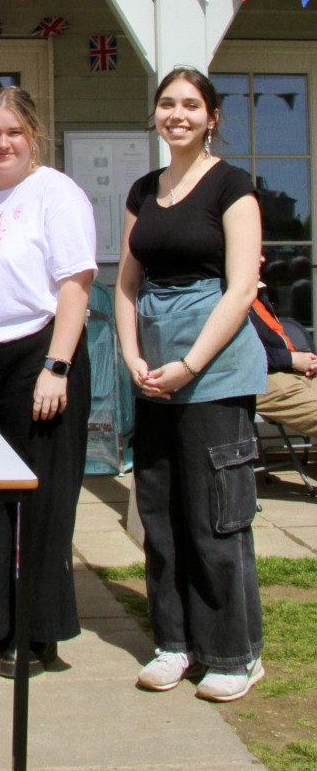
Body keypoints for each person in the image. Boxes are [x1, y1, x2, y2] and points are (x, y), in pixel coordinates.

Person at [115, 66, 268, 702]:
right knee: (161, 514)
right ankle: (174, 644)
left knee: (216, 517)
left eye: (190, 105)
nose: (177, 114)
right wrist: (131, 358)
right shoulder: (144, 189)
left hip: (213, 373)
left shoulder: (234, 186)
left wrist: (192, 364)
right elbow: (126, 283)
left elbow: (240, 290)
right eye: (167, 104)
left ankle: (235, 652)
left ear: (211, 117)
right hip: (153, 374)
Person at [0, 85, 96, 677]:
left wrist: (56, 367)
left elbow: (76, 283)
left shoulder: (55, 193)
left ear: (33, 134)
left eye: (14, 132)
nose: (3, 143)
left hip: (41, 354)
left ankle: (38, 635)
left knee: (42, 500)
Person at [250, 287, 317, 435]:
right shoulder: (224, 297)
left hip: (296, 371)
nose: (262, 262)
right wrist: (291, 359)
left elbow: (277, 341)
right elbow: (236, 354)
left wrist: (309, 360)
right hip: (261, 377)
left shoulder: (257, 295)